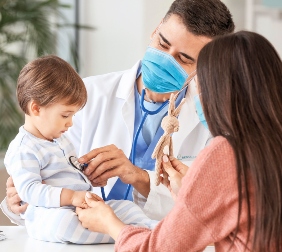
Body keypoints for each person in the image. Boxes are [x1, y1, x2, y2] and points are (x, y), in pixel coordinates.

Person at [2, 0, 235, 223]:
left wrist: (137, 176)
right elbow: (46, 180)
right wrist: (17, 203)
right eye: (163, 44)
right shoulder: (90, 95)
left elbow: (210, 208)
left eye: (183, 58)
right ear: (155, 31)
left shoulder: (214, 120)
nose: (166, 59)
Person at [76, 31, 282, 252]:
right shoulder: (270, 145)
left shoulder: (225, 152)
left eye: (201, 87)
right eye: (164, 45)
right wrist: (189, 194)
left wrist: (109, 223)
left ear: (220, 92)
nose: (199, 97)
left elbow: (160, 250)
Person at [3, 55, 158, 244]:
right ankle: (127, 235)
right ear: (36, 108)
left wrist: (89, 174)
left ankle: (153, 231)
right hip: (52, 212)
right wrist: (72, 196)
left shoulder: (61, 139)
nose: (70, 123)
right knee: (63, 224)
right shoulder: (23, 149)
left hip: (80, 206)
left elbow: (71, 171)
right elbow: (29, 191)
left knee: (127, 207)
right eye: (65, 115)